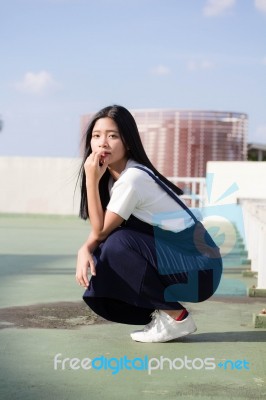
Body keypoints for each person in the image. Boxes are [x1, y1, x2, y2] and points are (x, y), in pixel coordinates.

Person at [75, 105, 223, 343]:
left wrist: (91, 180)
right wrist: (86, 248)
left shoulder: (132, 178)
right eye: (96, 135)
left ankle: (176, 317)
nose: (103, 143)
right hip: (188, 263)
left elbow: (101, 231)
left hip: (200, 267)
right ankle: (165, 314)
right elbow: (102, 232)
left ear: (129, 142)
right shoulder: (117, 179)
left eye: (112, 136)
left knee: (115, 245)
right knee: (109, 247)